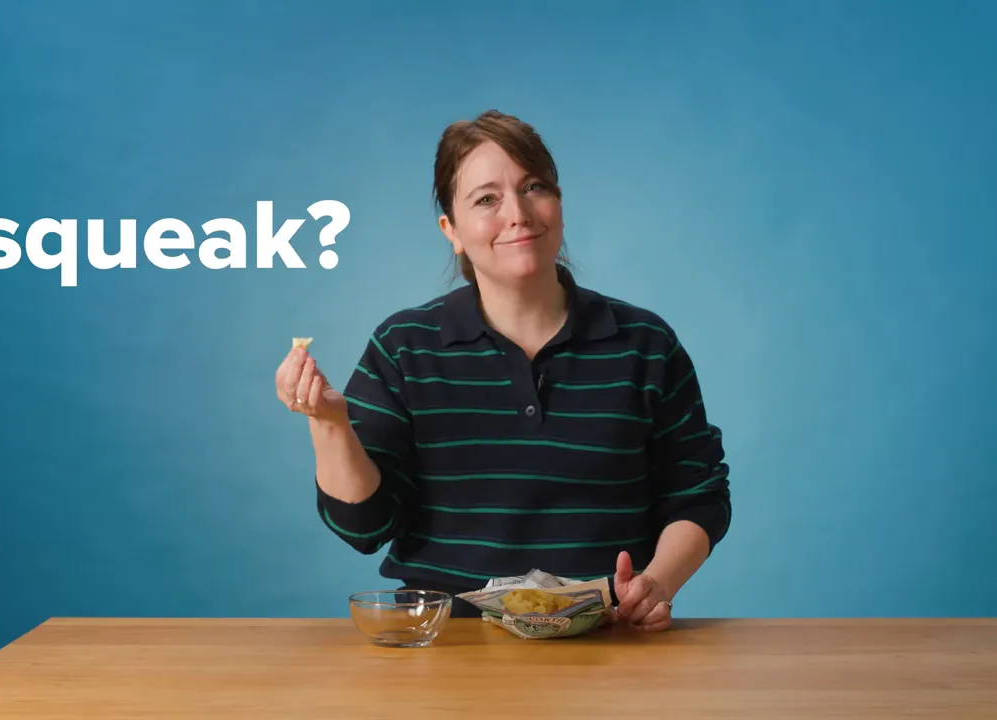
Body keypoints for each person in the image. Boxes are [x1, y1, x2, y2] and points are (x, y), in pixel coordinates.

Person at [274, 110, 731, 631]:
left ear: (558, 204)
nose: (518, 213)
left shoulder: (646, 344)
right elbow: (362, 526)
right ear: (453, 230)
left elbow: (700, 495)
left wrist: (658, 583)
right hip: (447, 643)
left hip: (609, 640)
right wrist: (329, 422)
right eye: (486, 199)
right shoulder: (404, 348)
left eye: (534, 186)